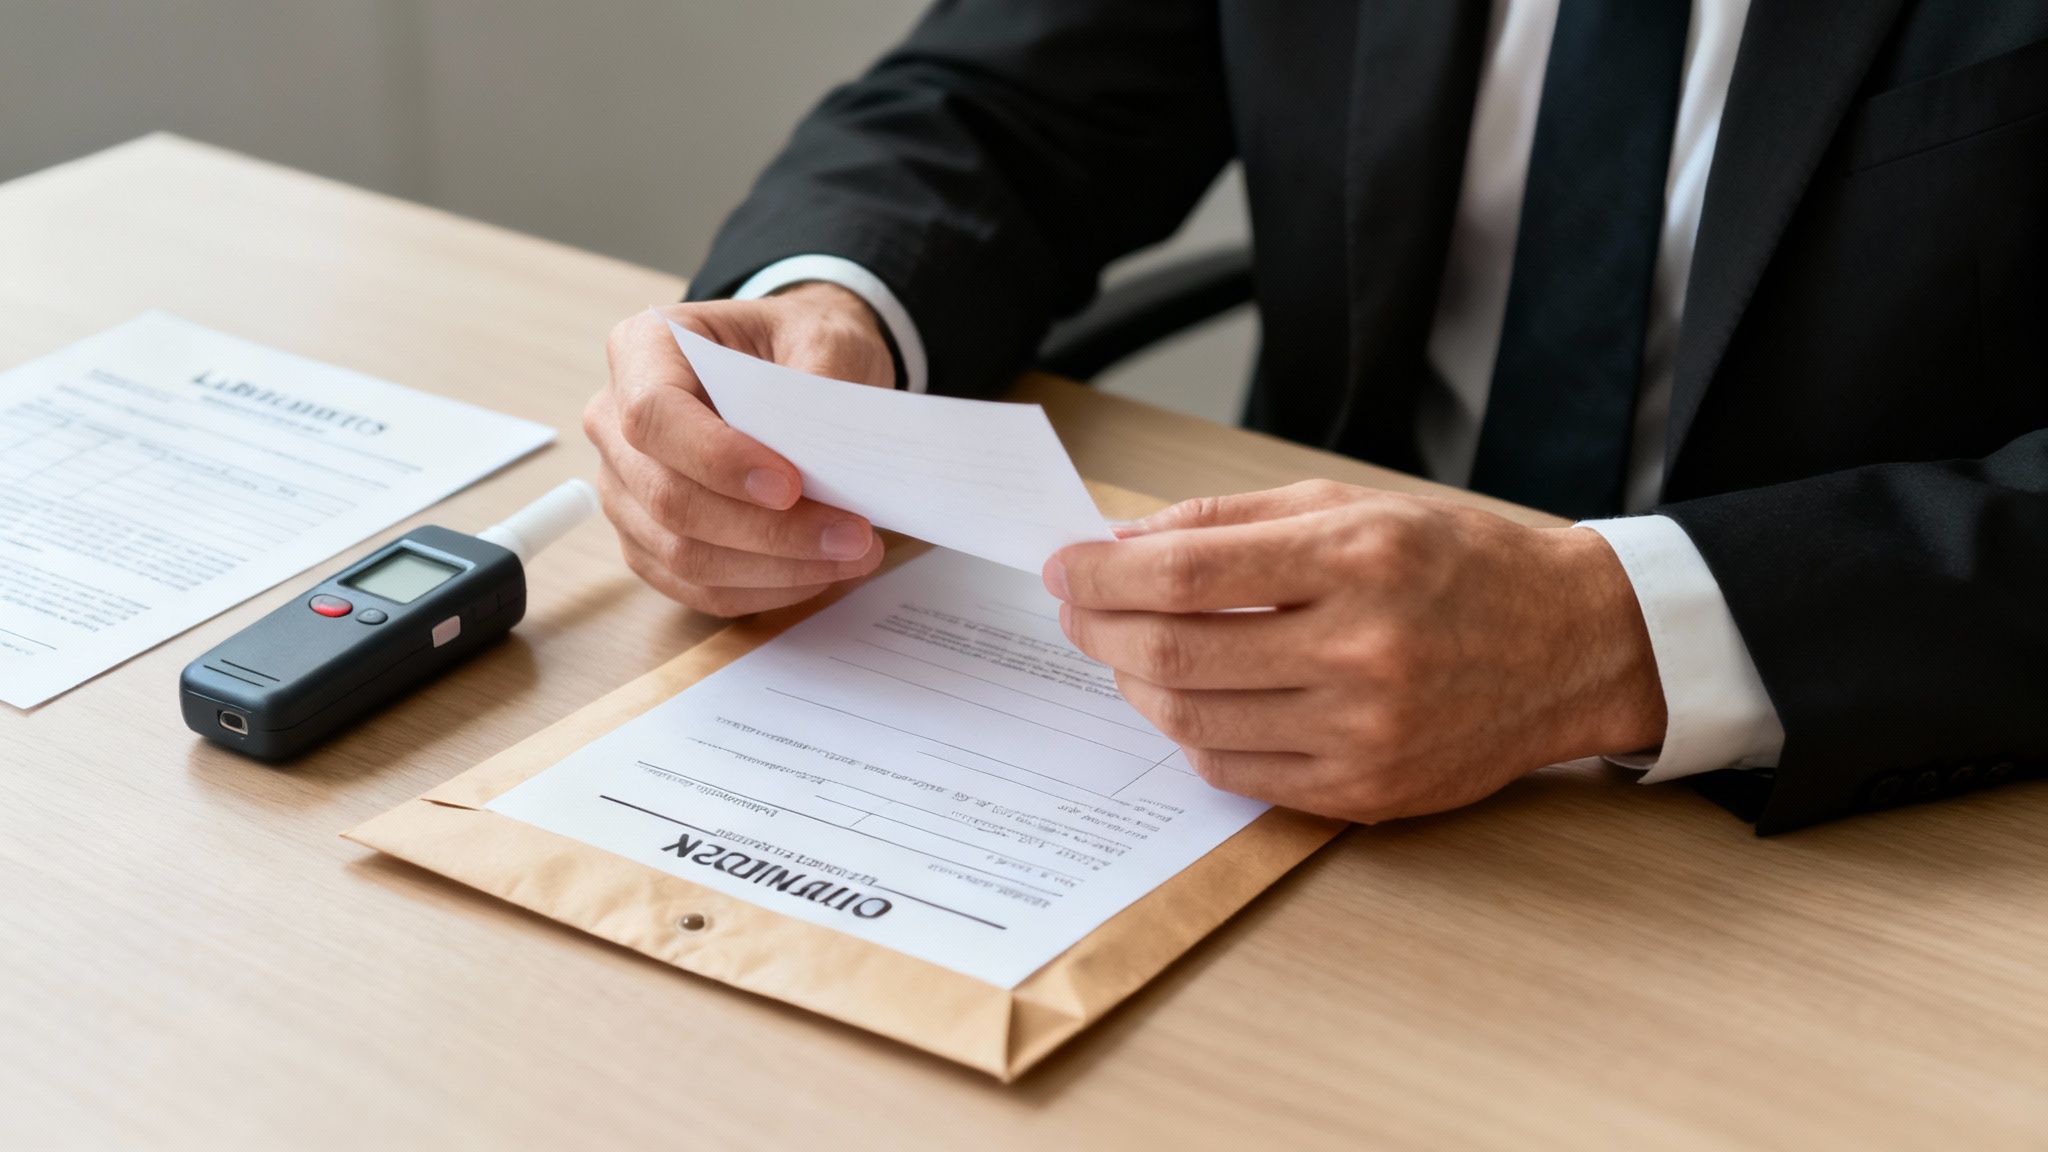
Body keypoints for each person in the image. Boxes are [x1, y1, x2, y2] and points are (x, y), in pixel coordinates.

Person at [586, 2, 2048, 833]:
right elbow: (1003, 99)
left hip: (1866, 793)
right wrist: (827, 313)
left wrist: (1610, 635)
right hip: (1263, 745)